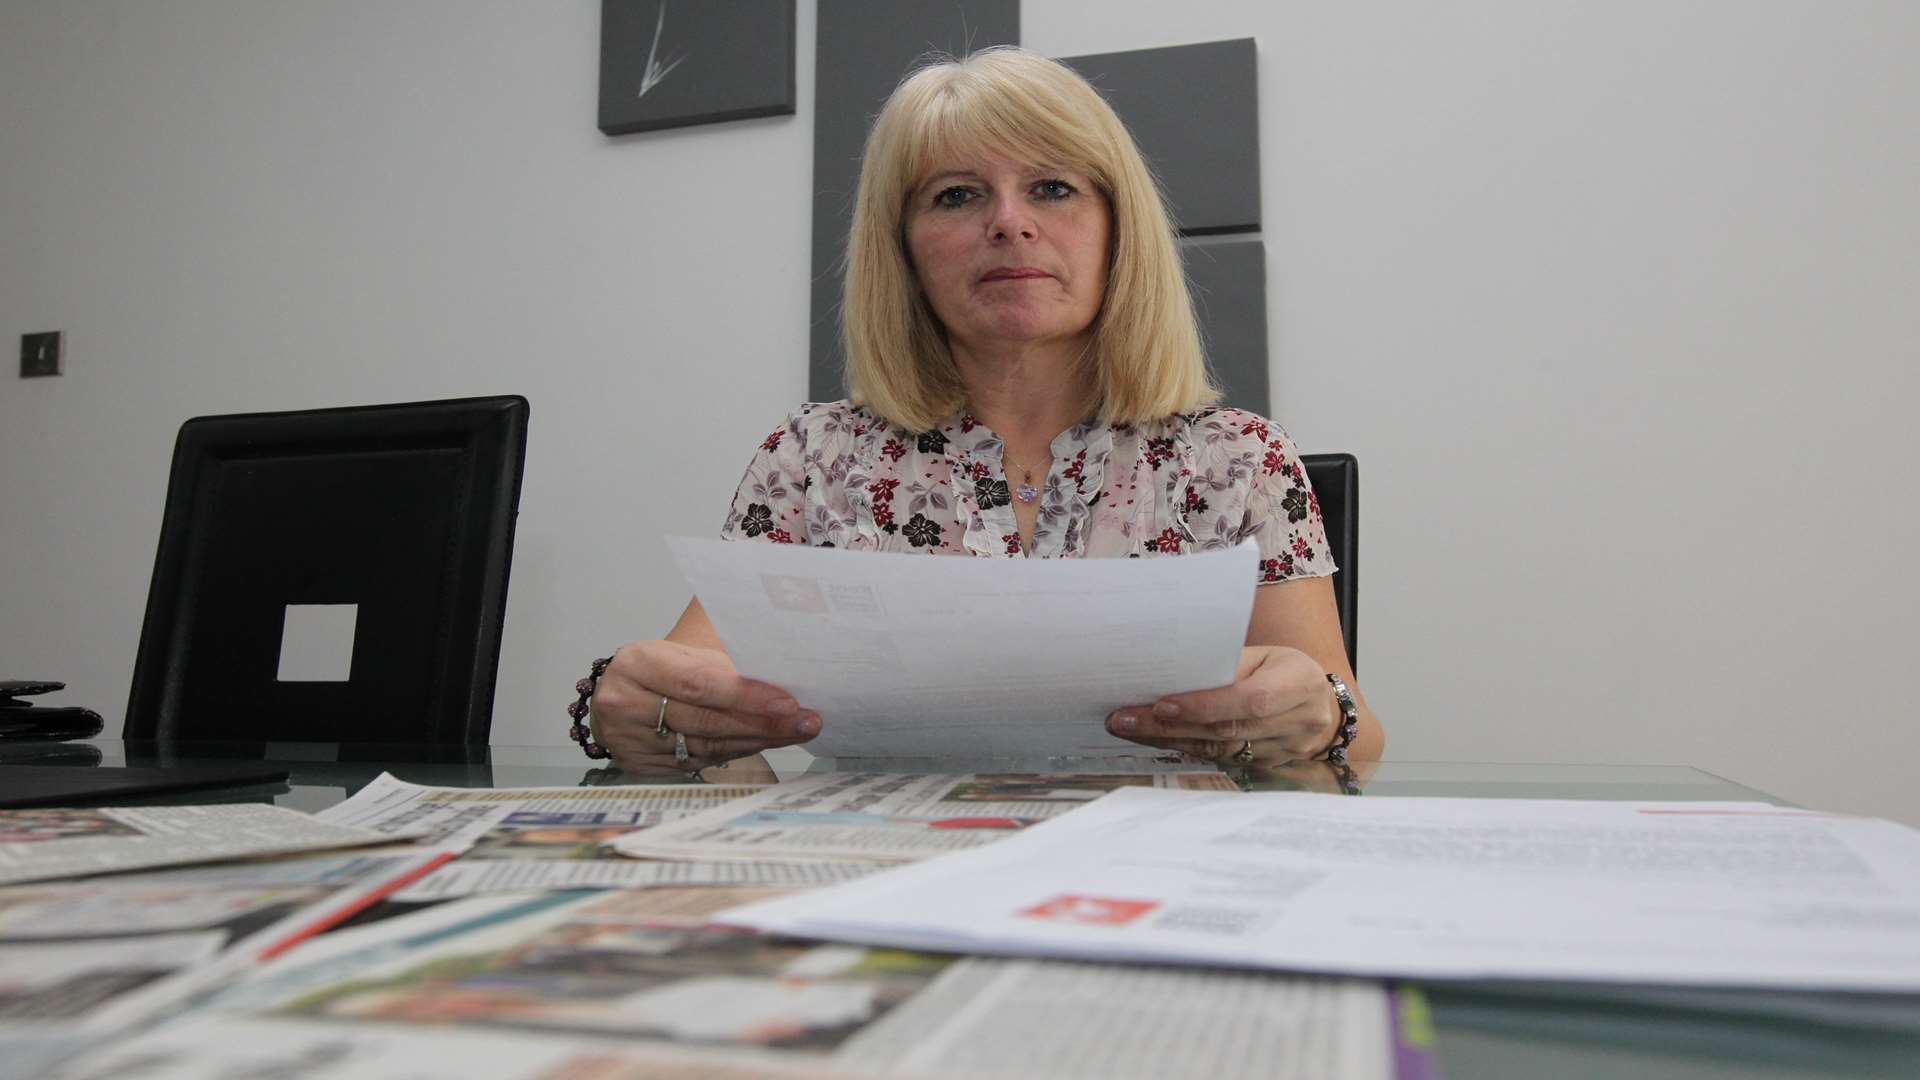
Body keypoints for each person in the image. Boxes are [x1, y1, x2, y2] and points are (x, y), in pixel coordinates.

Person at [575, 47, 1381, 776]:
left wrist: (1318, 716)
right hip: (874, 876)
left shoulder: (1240, 458)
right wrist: (632, 706)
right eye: (957, 196)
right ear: (905, 250)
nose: (1009, 221)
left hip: (1154, 879)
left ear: (1117, 229)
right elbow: (683, 693)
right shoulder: (812, 456)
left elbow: (1357, 733)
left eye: (1052, 187)